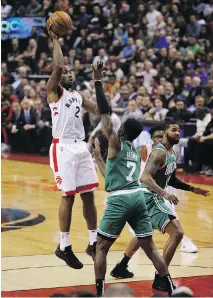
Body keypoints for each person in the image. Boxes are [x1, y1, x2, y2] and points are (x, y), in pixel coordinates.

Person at [92, 61, 175, 297]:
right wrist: (98, 159)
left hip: (120, 201)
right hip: (137, 197)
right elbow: (112, 177)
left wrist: (98, 81)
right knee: (149, 247)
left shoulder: (116, 142)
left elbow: (104, 112)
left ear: (121, 131)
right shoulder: (133, 152)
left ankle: (99, 292)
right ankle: (169, 286)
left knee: (100, 246)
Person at [111, 122, 209, 291]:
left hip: (150, 195)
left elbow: (169, 179)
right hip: (149, 195)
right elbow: (145, 177)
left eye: (179, 130)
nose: (178, 133)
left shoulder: (173, 152)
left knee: (145, 233)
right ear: (162, 134)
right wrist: (164, 194)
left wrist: (192, 188)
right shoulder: (155, 152)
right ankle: (161, 277)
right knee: (177, 233)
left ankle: (122, 265)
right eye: (173, 130)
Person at [46, 25, 99, 269]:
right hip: (63, 148)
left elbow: (100, 110)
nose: (66, 73)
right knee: (68, 197)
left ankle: (93, 241)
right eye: (63, 71)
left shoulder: (78, 96)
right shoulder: (54, 93)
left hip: (80, 146)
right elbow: (57, 67)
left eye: (69, 72)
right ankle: (64, 246)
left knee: (88, 195)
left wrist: (98, 82)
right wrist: (55, 40)